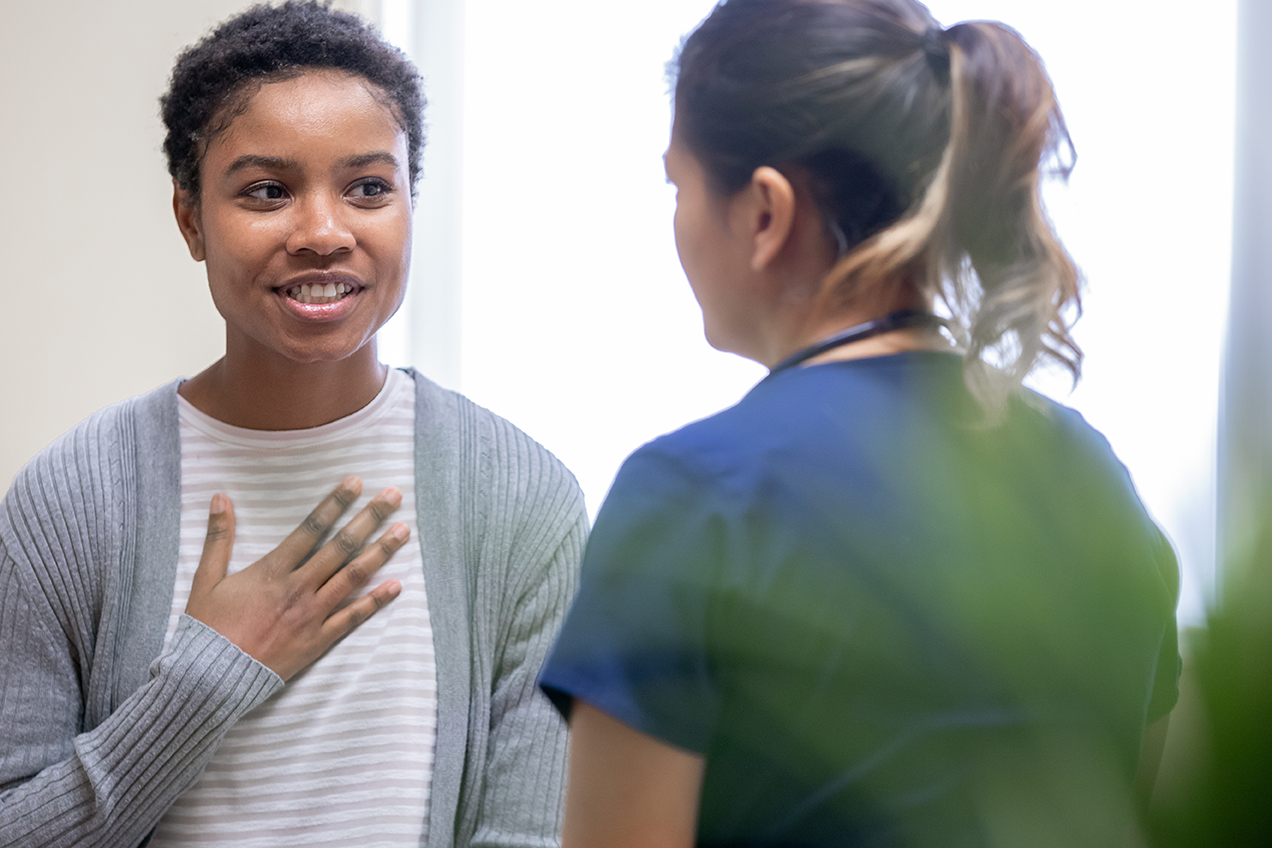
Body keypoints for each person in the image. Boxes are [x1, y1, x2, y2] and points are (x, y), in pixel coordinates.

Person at [538, 0, 1179, 845]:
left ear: (765, 212)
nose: (677, 222)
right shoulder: (1091, 473)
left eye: (677, 185)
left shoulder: (694, 497)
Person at [0, 3, 585, 846]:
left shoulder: (521, 501)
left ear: (411, 204)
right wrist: (202, 682)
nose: (322, 232)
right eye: (268, 190)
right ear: (191, 219)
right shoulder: (72, 502)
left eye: (369, 188)